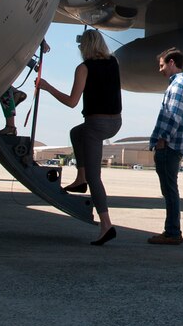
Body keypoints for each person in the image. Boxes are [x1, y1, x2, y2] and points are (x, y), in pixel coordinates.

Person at [36, 29, 122, 246]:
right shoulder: (114, 63)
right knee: (76, 132)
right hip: (115, 122)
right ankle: (80, 177)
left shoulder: (83, 68)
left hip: (96, 124)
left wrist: (47, 87)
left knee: (96, 177)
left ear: (85, 47)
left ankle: (106, 224)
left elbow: (72, 101)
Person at [147, 47, 183, 245]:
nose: (160, 70)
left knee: (169, 190)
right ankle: (172, 230)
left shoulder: (177, 86)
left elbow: (172, 116)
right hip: (172, 145)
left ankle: (173, 232)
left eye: (162, 65)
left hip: (169, 146)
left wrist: (162, 139)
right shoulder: (181, 84)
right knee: (170, 190)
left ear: (172, 63)